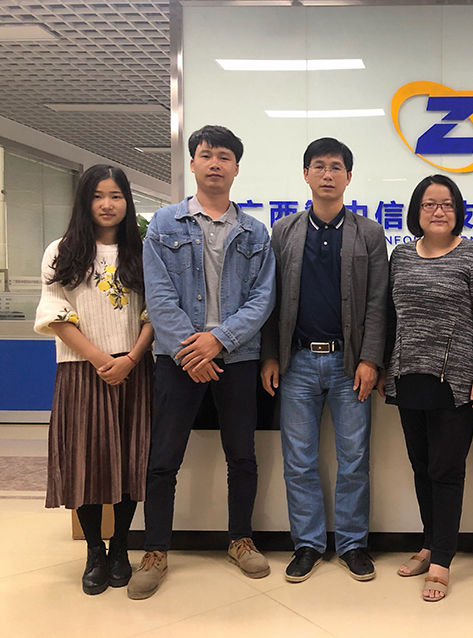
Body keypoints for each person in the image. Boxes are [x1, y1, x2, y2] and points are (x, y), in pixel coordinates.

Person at [129, 125, 275, 599]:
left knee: (242, 454)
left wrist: (219, 340)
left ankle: (240, 540)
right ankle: (155, 550)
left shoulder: (255, 231)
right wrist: (190, 349)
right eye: (207, 155)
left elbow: (262, 298)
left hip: (236, 357)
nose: (215, 163)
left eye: (224, 156)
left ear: (236, 167)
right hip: (178, 359)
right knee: (163, 458)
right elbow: (158, 295)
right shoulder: (164, 224)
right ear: (192, 163)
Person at [260, 138, 388, 583]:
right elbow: (271, 299)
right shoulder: (285, 231)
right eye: (319, 166)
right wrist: (270, 355)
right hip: (296, 362)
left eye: (336, 167)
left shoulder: (369, 233)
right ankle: (308, 544)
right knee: (299, 460)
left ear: (349, 177)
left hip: (348, 364)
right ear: (306, 174)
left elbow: (378, 302)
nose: (328, 174)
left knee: (354, 459)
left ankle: (352, 544)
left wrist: (371, 359)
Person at [34, 164, 154, 595]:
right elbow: (55, 314)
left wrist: (131, 358)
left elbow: (155, 312)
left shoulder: (143, 251)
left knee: (130, 461)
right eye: (98, 196)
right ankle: (94, 552)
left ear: (127, 202)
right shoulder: (61, 251)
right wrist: (102, 359)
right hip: (82, 372)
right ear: (85, 201)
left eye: (116, 196)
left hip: (134, 371)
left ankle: (120, 547)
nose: (107, 204)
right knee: (85, 463)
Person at [378, 174, 473, 602]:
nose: (438, 211)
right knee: (421, 465)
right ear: (417, 211)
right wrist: (384, 367)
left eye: (446, 204)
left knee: (446, 470)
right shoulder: (401, 255)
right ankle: (430, 544)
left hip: (457, 379)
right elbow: (390, 315)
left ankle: (443, 559)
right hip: (408, 374)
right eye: (429, 204)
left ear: (458, 210)